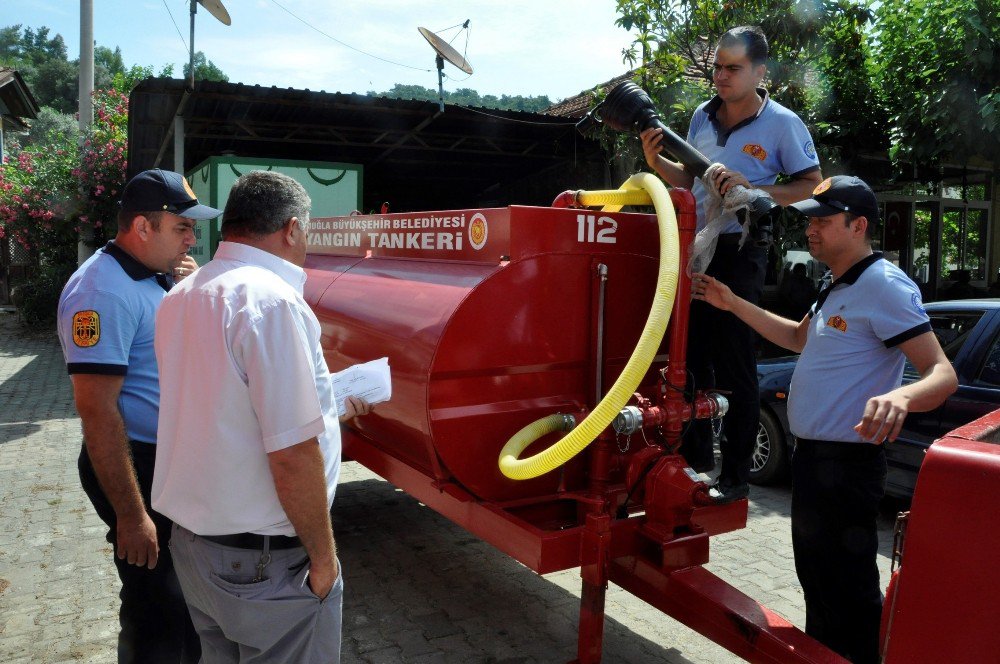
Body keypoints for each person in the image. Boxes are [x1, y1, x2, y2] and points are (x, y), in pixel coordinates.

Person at [691, 175, 957, 662]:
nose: (811, 229)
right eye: (810, 219)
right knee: (817, 581)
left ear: (858, 226)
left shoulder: (884, 285)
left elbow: (942, 374)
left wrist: (903, 398)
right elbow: (797, 339)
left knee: (849, 590)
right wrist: (731, 302)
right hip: (813, 461)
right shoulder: (836, 283)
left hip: (848, 464)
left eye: (824, 220)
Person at [152, 170, 372, 663]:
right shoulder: (271, 303)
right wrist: (323, 561)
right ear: (292, 229)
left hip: (195, 551)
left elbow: (219, 407)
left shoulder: (182, 296)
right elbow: (293, 454)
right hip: (264, 567)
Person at [640, 25, 823, 503]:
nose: (720, 75)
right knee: (688, 352)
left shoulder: (783, 123)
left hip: (741, 249)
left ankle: (736, 475)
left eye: (733, 68)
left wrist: (759, 189)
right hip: (695, 244)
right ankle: (694, 461)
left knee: (734, 359)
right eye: (718, 66)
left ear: (760, 72)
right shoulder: (702, 114)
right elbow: (690, 178)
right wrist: (657, 162)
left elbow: (812, 186)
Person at [57, 169, 221, 663]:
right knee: (157, 607)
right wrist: (132, 515)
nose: (193, 238)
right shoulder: (100, 293)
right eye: (182, 227)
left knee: (182, 601)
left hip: (164, 460)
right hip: (136, 464)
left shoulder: (154, 275)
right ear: (143, 228)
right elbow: (96, 410)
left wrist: (186, 292)